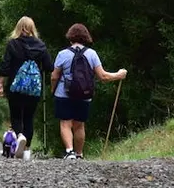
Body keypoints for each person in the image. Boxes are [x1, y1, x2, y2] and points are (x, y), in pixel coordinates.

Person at [50, 23, 127, 160]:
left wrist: (53, 90)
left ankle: (69, 152)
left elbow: (54, 76)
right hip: (84, 94)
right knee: (79, 125)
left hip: (64, 94)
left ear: (70, 37)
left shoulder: (62, 54)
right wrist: (119, 74)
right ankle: (79, 154)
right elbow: (103, 76)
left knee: (65, 123)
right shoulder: (92, 54)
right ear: (86, 37)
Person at [0, 16, 54, 158]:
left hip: (15, 87)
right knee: (29, 117)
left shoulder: (13, 44)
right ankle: (26, 149)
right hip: (34, 89)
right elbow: (49, 66)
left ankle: (19, 135)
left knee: (16, 115)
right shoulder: (40, 45)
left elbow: (5, 66)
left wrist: (0, 83)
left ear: (18, 28)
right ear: (33, 28)